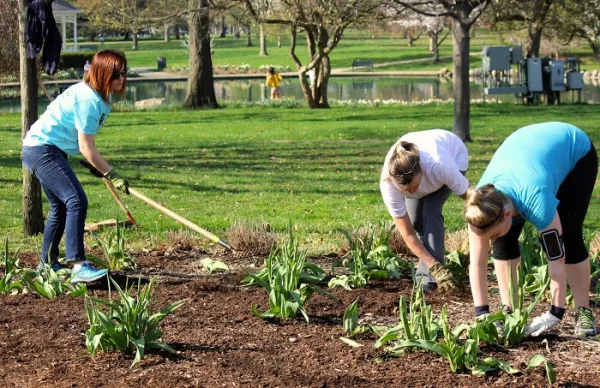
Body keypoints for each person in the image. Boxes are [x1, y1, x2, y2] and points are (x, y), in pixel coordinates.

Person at [463, 122, 597, 337]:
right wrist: (482, 314)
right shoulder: (479, 207)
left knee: (570, 235)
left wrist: (555, 313)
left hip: (573, 151)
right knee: (503, 241)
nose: (490, 239)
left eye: (493, 233)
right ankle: (509, 309)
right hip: (526, 149)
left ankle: (584, 312)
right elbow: (477, 264)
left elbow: (556, 258)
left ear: (507, 214)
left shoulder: (537, 202)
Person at [21, 49, 130, 284]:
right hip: (42, 149)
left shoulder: (98, 97)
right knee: (76, 200)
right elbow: (86, 146)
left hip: (50, 149)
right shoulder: (89, 100)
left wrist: (97, 165)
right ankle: (78, 265)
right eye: (115, 74)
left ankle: (46, 265)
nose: (121, 78)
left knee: (60, 207)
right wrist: (111, 173)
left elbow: (83, 143)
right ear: (102, 74)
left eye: (123, 72)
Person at [380, 129, 470, 291]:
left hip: (454, 154)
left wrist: (479, 224)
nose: (413, 193)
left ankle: (428, 279)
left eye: (414, 187)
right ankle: (433, 268)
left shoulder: (439, 166)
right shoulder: (389, 185)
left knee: (431, 210)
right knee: (416, 221)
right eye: (406, 191)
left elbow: (469, 195)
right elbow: (407, 234)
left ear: (421, 168)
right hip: (420, 163)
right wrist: (433, 265)